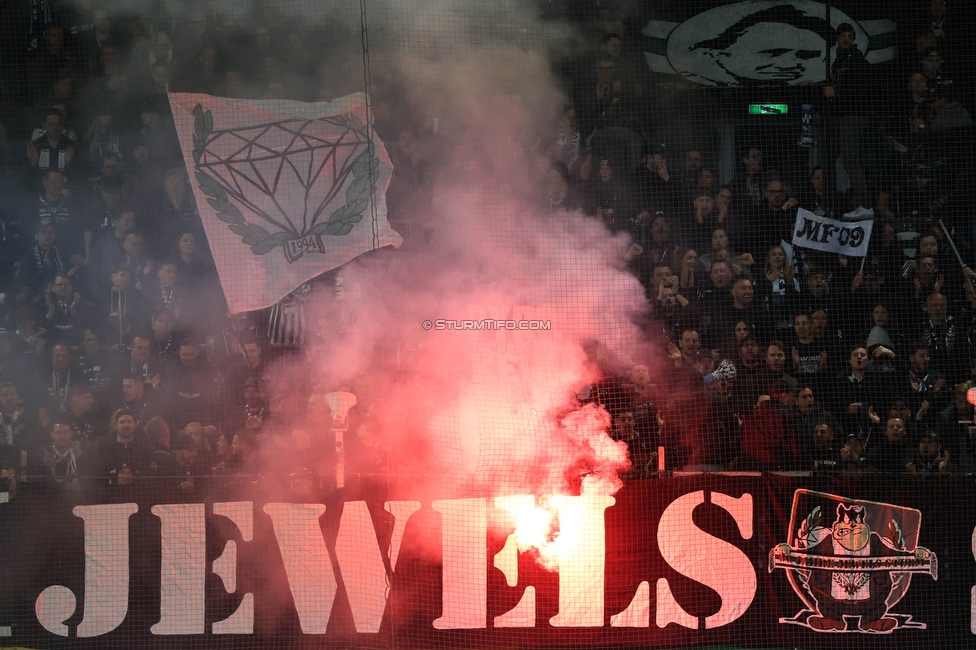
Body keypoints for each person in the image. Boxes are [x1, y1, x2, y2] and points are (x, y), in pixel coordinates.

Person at [821, 23, 871, 205]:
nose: (846, 39)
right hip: (838, 116)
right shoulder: (837, 62)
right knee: (828, 158)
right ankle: (829, 200)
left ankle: (865, 203)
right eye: (843, 36)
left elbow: (862, 90)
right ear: (837, 39)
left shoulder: (857, 61)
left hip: (853, 115)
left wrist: (836, 93)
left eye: (850, 36)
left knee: (849, 160)